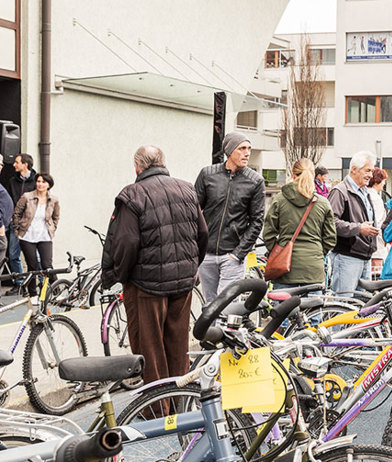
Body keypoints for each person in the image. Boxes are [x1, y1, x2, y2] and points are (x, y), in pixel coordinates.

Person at [101, 146, 208, 384]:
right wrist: (191, 266)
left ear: (137, 166)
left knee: (150, 350)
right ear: (162, 162)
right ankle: (181, 406)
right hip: (182, 282)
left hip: (146, 285)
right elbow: (202, 233)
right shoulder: (187, 189)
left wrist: (120, 275)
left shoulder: (133, 194)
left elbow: (125, 243)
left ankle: (157, 413)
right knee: (178, 346)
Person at [194, 132, 265, 301]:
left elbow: (257, 221)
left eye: (249, 148)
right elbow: (194, 211)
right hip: (207, 254)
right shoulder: (207, 175)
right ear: (230, 151)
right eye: (242, 148)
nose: (247, 153)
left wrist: (238, 253)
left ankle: (223, 329)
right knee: (210, 305)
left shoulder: (255, 181)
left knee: (225, 305)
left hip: (232, 256)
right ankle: (210, 329)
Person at [262, 158, 337, 289]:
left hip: (285, 269)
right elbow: (330, 238)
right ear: (313, 175)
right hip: (313, 269)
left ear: (293, 175)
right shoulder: (323, 203)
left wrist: (278, 251)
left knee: (283, 309)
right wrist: (318, 252)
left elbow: (268, 233)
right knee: (312, 309)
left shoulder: (280, 200)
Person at [328, 151, 379, 294]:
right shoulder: (340, 192)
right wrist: (358, 229)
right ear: (354, 169)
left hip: (364, 257)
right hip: (347, 257)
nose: (370, 175)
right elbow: (331, 222)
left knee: (362, 307)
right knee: (343, 305)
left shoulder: (364, 192)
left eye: (372, 171)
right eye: (367, 170)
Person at [12, 173, 59, 296]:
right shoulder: (27, 197)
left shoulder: (53, 199)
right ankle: (33, 294)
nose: (40, 184)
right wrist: (17, 231)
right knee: (32, 266)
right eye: (38, 181)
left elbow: (56, 216)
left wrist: (53, 228)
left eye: (43, 182)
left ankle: (57, 291)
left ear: (49, 185)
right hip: (27, 236)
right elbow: (16, 213)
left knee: (47, 265)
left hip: (45, 236)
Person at [3, 153, 36, 290]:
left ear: (25, 165)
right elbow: (9, 200)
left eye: (17, 162)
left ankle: (42, 281)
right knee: (13, 255)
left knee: (36, 257)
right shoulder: (12, 181)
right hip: (15, 224)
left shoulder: (37, 181)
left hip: (31, 224)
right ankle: (20, 283)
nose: (14, 165)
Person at [367, 168, 389, 278]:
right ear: (377, 181)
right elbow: (378, 223)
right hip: (376, 245)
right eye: (383, 182)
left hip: (368, 243)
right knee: (375, 277)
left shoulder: (365, 194)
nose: (383, 185)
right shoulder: (375, 198)